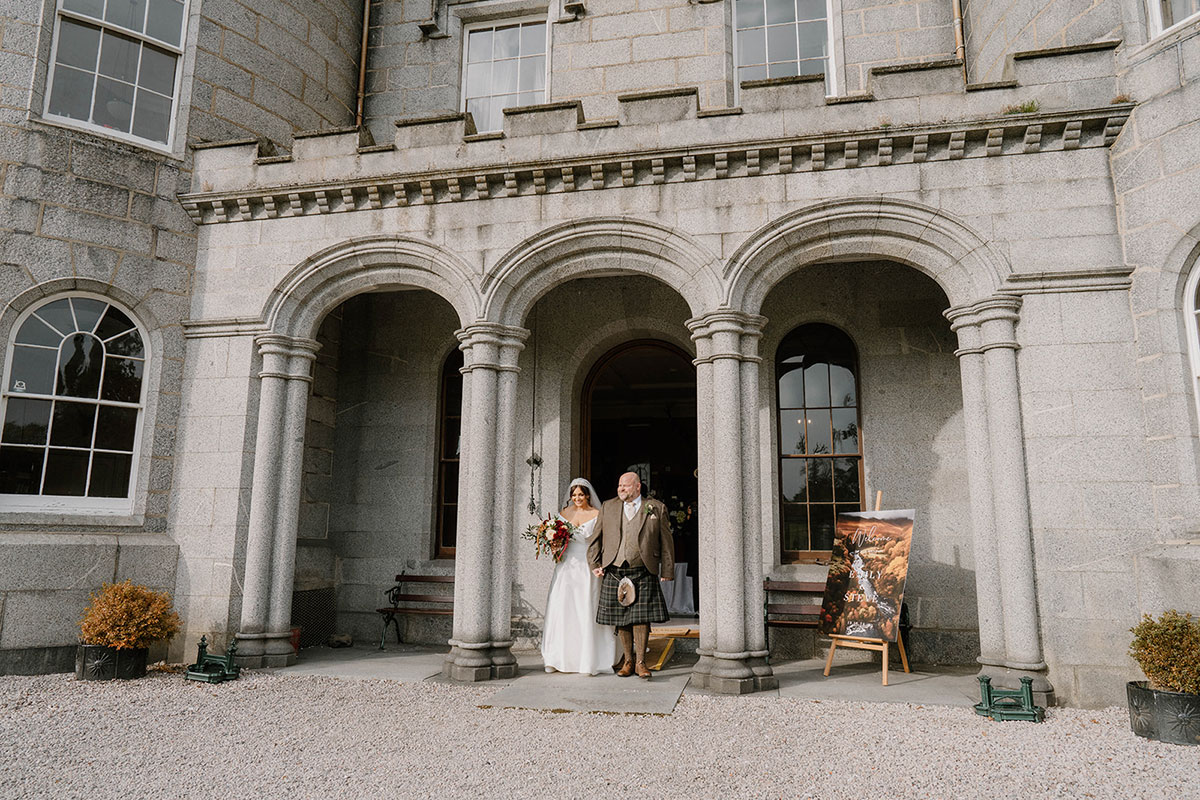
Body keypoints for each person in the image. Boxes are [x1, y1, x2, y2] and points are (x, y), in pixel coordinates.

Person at [588, 471, 675, 679]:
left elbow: (666, 541)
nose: (621, 489)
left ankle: (641, 663)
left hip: (643, 569)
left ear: (637, 486)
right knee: (622, 618)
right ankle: (627, 661)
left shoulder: (656, 507)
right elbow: (595, 538)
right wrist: (594, 563)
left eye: (625, 486)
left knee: (641, 618)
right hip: (615, 568)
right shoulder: (608, 507)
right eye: (619, 486)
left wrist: (667, 569)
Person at [540, 478, 616, 675]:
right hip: (565, 566)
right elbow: (555, 537)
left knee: (586, 608)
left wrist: (601, 565)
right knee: (562, 608)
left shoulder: (597, 514)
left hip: (587, 566)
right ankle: (557, 657)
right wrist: (554, 545)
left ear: (588, 495)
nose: (577, 498)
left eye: (580, 495)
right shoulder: (564, 514)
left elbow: (604, 542)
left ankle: (589, 659)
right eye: (574, 495)